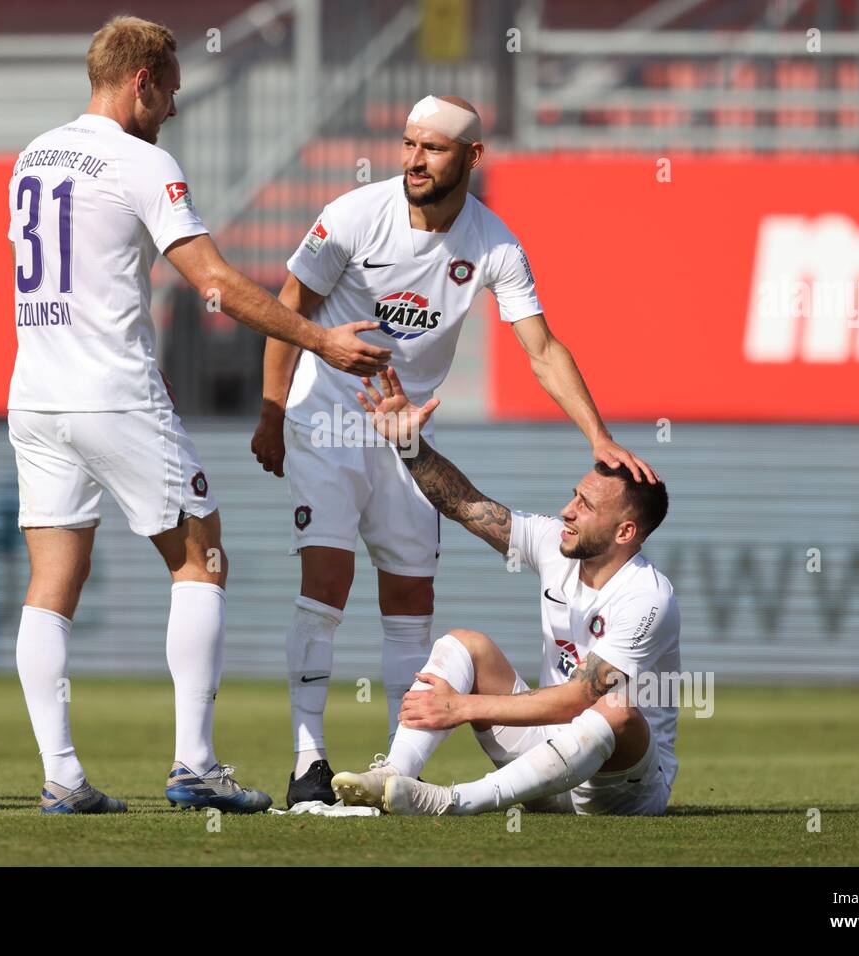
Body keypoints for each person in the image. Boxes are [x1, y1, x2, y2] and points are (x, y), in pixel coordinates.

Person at [7, 16, 390, 815]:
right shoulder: (142, 160)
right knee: (202, 558)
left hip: (35, 394)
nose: (174, 108)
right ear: (143, 78)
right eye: (171, 90)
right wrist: (318, 337)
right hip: (111, 388)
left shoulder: (33, 154)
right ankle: (195, 764)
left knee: (51, 583)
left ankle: (62, 776)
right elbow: (210, 279)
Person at [250, 94, 658, 806]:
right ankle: (307, 763)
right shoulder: (352, 215)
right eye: (408, 143)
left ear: (471, 157)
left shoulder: (494, 242)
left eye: (433, 148)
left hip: (407, 435)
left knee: (411, 597)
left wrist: (598, 435)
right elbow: (290, 308)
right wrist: (273, 409)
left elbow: (542, 348)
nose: (413, 159)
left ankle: (392, 770)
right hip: (327, 424)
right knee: (328, 581)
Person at [332, 369, 679, 817]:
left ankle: (452, 801)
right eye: (574, 496)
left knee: (615, 708)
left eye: (585, 507)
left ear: (625, 531)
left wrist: (460, 707)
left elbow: (579, 698)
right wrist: (408, 445)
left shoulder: (647, 595)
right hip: (543, 760)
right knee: (464, 644)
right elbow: (464, 504)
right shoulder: (555, 544)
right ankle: (394, 774)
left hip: (619, 788)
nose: (566, 511)